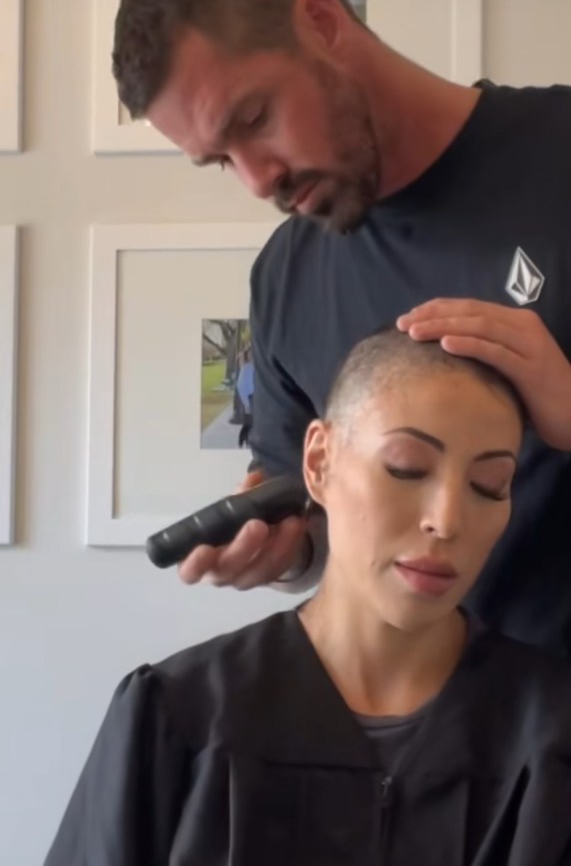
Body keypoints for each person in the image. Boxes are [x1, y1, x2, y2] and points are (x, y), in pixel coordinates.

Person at [111, 0, 571, 656]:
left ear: (321, 22)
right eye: (220, 160)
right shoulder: (282, 277)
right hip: (422, 744)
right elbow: (307, 507)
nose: (257, 179)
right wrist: (286, 550)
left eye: (254, 119)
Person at [43, 330, 571, 865]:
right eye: (406, 468)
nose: (447, 520)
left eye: (490, 485)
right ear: (319, 462)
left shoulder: (552, 732)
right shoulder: (179, 716)